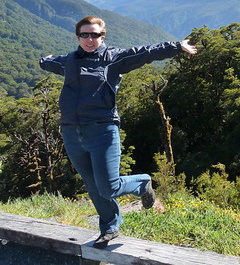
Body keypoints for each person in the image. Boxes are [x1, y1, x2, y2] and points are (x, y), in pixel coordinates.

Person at [39, 15, 197, 248]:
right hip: (72, 132)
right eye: (85, 34)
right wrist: (45, 60)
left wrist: (175, 46)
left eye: (95, 34)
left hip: (102, 130)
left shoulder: (113, 59)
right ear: (78, 36)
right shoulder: (69, 61)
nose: (90, 39)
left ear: (103, 37)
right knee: (93, 186)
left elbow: (145, 52)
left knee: (109, 186)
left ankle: (143, 183)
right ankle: (110, 227)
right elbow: (50, 63)